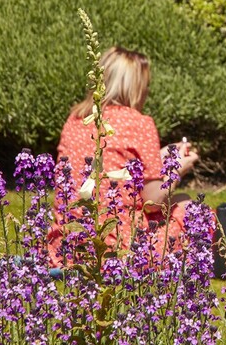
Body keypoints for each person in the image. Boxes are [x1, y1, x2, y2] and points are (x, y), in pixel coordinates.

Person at [48, 46, 201, 266]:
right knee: (189, 208)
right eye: (145, 86)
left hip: (68, 248)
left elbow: (111, 161)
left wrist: (161, 157)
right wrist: (177, 169)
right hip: (119, 249)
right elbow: (152, 203)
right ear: (135, 88)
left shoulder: (75, 119)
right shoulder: (140, 123)